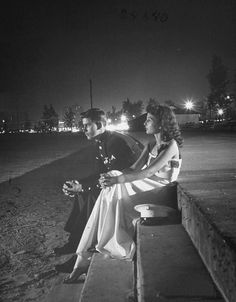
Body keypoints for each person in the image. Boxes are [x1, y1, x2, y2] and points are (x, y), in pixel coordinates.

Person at [63, 103, 183, 283]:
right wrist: (110, 177)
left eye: (149, 120)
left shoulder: (171, 145)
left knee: (116, 182)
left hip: (161, 189)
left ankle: (90, 251)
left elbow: (149, 172)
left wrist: (119, 180)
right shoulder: (150, 143)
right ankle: (86, 254)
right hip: (147, 186)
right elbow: (133, 168)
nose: (145, 123)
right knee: (112, 177)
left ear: (161, 123)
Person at [54, 108, 135, 272]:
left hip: (130, 186)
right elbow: (99, 173)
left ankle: (81, 254)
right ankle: (75, 242)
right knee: (83, 193)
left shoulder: (116, 143)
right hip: (117, 182)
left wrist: (83, 187)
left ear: (99, 124)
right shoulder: (102, 141)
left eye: (87, 125)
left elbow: (114, 176)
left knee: (91, 196)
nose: (83, 129)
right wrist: (78, 184)